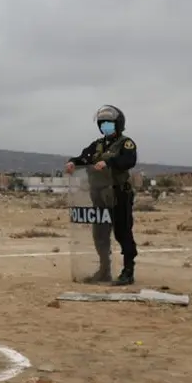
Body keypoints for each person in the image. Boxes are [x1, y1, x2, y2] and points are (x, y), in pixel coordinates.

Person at [65, 105, 138, 286]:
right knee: (100, 234)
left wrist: (109, 162)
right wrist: (73, 162)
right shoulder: (97, 145)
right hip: (98, 195)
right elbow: (84, 158)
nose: (105, 126)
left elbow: (128, 161)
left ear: (118, 124)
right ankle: (104, 270)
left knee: (122, 232)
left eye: (109, 123)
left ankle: (128, 271)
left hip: (118, 194)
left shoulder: (125, 143)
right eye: (103, 123)